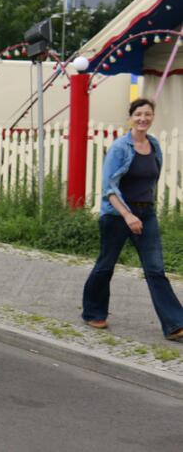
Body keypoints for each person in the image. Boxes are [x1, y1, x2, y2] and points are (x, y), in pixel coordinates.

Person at [82, 98, 183, 341]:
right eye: (138, 114)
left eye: (147, 114)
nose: (143, 119)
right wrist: (128, 215)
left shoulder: (154, 145)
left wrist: (142, 210)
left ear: (152, 117)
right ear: (131, 117)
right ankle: (92, 311)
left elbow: (151, 178)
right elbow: (109, 187)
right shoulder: (120, 148)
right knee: (106, 265)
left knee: (155, 269)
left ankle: (175, 325)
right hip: (117, 215)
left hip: (145, 214)